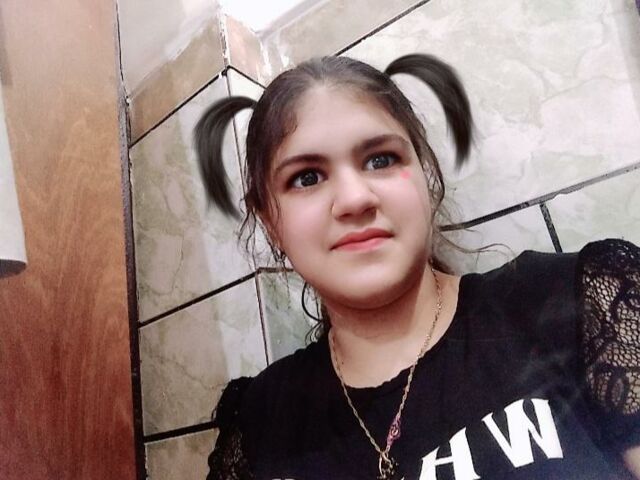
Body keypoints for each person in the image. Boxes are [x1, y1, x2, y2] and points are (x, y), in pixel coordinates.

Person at [194, 54, 640, 479]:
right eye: (306, 177)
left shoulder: (578, 304)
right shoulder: (260, 420)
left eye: (381, 160)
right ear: (270, 222)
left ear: (425, 174)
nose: (355, 199)